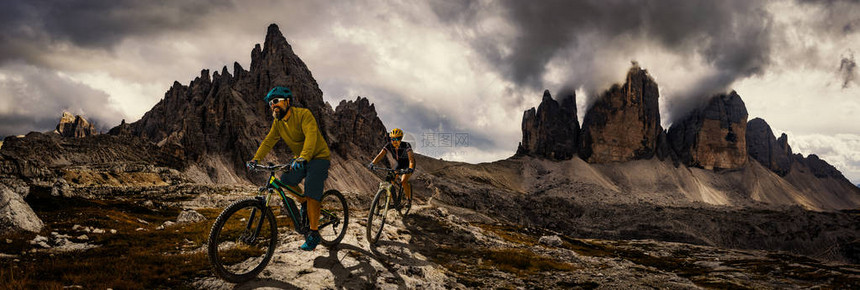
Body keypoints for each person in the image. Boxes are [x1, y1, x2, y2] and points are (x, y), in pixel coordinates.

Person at [249, 86, 330, 251]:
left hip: (318, 157)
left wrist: (304, 156)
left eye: (277, 101)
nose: (273, 105)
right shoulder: (278, 123)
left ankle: (314, 234)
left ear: (287, 101)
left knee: (312, 189)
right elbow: (268, 141)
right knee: (286, 180)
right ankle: (304, 203)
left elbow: (311, 136)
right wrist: (255, 159)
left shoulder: (304, 114)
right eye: (271, 103)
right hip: (301, 158)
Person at [369, 128, 415, 207]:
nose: (394, 141)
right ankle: (388, 202)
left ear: (400, 139)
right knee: (390, 181)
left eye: (396, 139)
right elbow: (380, 155)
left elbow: (411, 159)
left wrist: (410, 168)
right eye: (392, 138)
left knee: (403, 181)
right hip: (399, 164)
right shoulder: (388, 145)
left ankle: (408, 200)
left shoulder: (406, 145)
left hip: (408, 165)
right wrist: (372, 163)